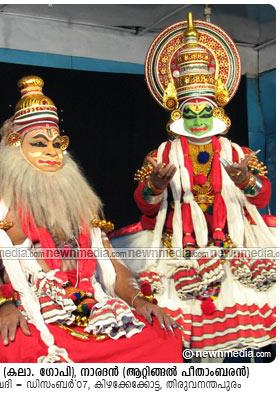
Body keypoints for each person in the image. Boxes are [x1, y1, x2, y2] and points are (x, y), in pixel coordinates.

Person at [0, 75, 182, 363]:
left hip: (94, 309)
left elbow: (115, 269)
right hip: (34, 313)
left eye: (58, 144)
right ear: (15, 148)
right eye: (39, 143)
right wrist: (5, 307)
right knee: (13, 347)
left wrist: (139, 301)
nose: (52, 152)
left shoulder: (83, 204)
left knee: (164, 337)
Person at [110, 13, 275, 354]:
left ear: (217, 111)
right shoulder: (160, 155)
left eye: (204, 112)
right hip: (177, 251)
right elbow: (145, 205)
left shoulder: (238, 152)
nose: (198, 120)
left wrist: (246, 181)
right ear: (177, 114)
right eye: (190, 113)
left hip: (235, 244)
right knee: (175, 326)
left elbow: (262, 199)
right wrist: (155, 185)